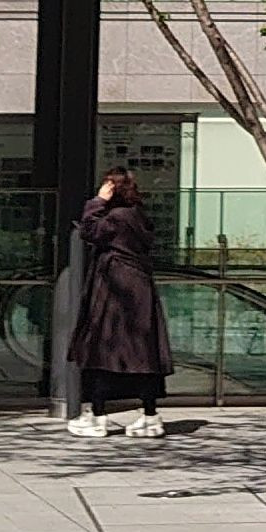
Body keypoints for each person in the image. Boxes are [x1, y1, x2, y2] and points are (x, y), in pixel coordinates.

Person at [65, 167, 172, 437]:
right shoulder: (137, 216)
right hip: (140, 290)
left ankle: (97, 416)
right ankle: (150, 416)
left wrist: (97, 202)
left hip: (115, 290)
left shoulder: (116, 218)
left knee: (102, 351)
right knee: (142, 356)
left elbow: (90, 231)